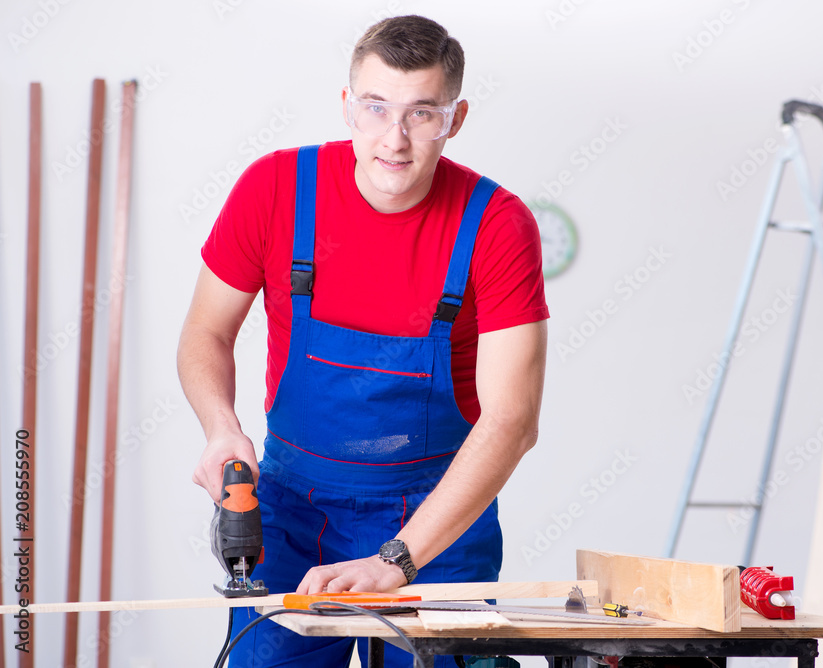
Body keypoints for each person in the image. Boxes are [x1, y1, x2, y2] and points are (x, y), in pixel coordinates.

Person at [177, 14, 548, 667]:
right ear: (348, 107)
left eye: (422, 113)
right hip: (290, 516)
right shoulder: (275, 190)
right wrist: (220, 427)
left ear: (454, 119)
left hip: (439, 524)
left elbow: (512, 421)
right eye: (376, 109)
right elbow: (205, 331)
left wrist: (397, 558)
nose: (395, 139)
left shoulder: (496, 224)